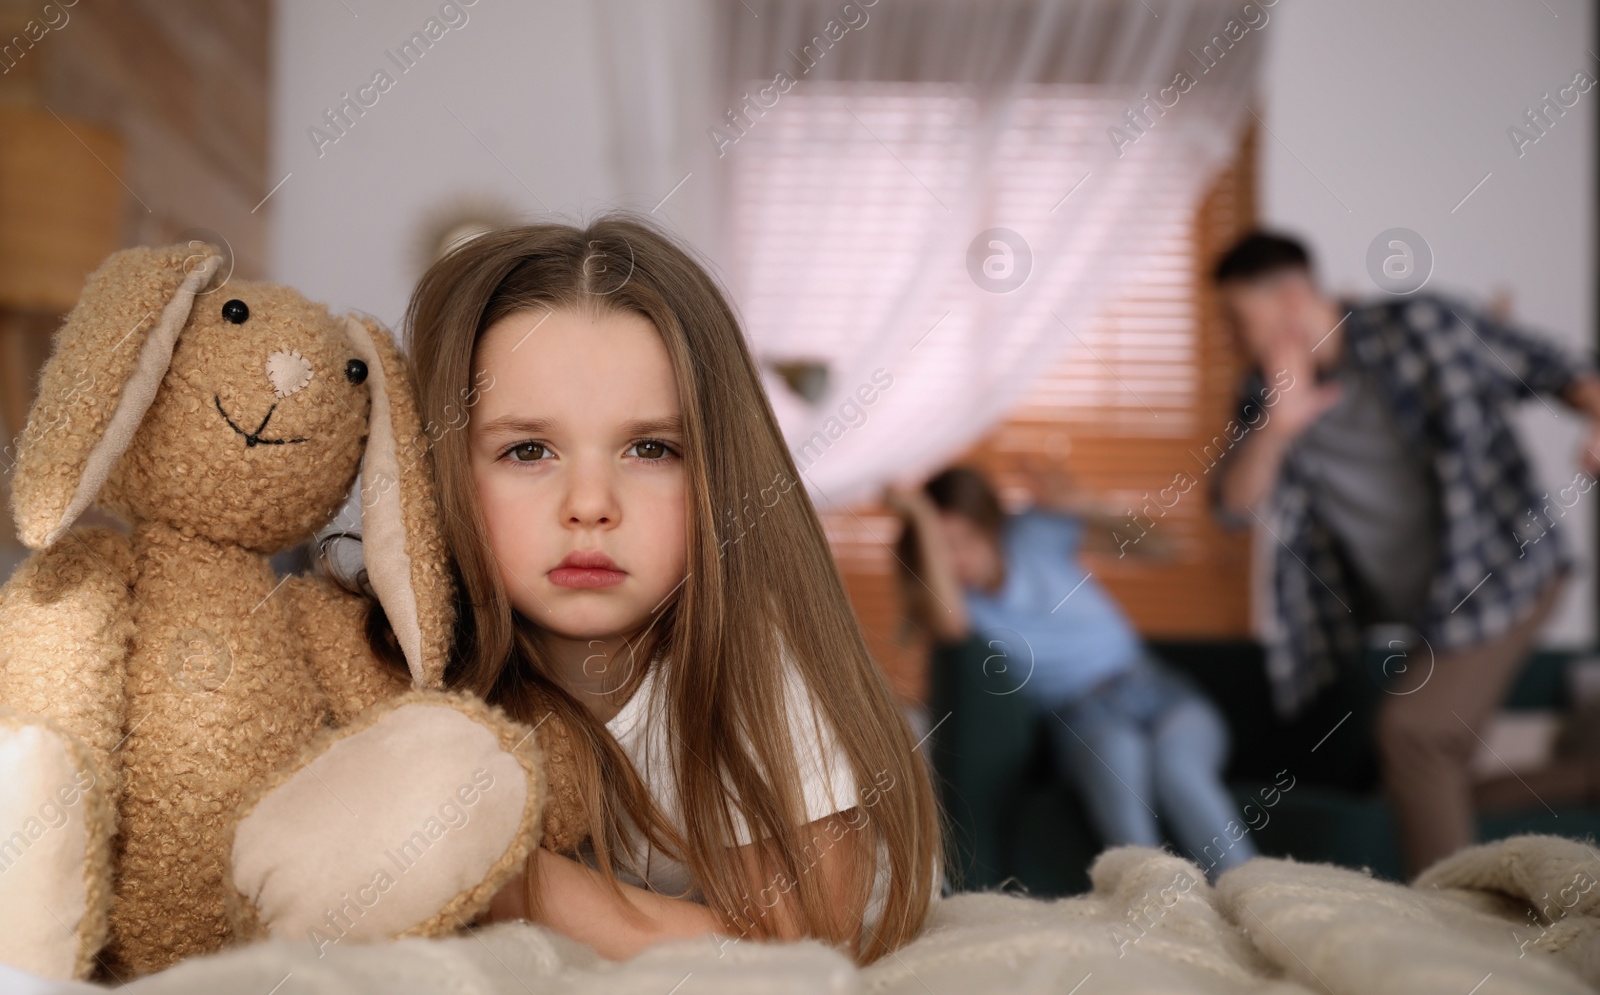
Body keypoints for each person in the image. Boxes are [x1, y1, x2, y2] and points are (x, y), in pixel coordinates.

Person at [396, 217, 942, 964]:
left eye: (650, 448)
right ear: (444, 468)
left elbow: (801, 943)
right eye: (528, 449)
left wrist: (490, 875)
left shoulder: (761, 661)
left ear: (718, 473)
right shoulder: (400, 656)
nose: (589, 503)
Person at [1210, 229, 1600, 877]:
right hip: (1434, 611)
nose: (1229, 338)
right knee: (1421, 780)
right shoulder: (1263, 393)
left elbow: (1550, 366)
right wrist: (1278, 427)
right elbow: (1233, 504)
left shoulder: (1418, 326)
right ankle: (1584, 784)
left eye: (1236, 319)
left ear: (1290, 298)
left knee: (1413, 735)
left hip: (1505, 570)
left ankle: (1450, 949)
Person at [886, 464, 1258, 876]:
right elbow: (949, 623)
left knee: (1180, 771)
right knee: (1120, 758)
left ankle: (1253, 896)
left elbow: (1166, 548)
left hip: (1155, 687)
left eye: (963, 541)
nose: (957, 561)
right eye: (940, 549)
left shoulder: (1030, 535)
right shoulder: (964, 610)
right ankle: (1160, 904)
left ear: (989, 526)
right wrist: (918, 515)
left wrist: (1085, 506)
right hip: (1084, 715)